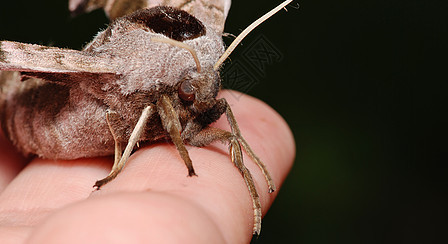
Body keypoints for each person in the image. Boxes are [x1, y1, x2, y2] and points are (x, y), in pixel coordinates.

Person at [0, 91, 295, 243]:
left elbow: (224, 118)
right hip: (64, 129)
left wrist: (248, 159)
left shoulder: (204, 110)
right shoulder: (159, 104)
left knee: (229, 135)